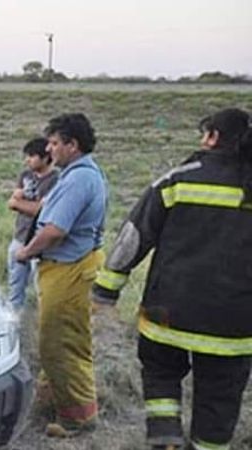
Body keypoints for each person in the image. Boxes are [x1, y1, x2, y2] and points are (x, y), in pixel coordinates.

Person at [92, 108, 252, 450]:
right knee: (220, 396)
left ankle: (166, 443)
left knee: (160, 376)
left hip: (166, 311)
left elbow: (133, 235)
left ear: (212, 137)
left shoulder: (178, 179)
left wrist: (106, 289)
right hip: (237, 324)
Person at [15, 113, 108, 437]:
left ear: (73, 144)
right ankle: (49, 400)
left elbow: (55, 230)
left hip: (69, 269)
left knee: (60, 344)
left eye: (55, 143)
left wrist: (26, 252)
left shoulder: (79, 179)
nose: (49, 149)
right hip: (69, 267)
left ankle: (77, 419)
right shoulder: (77, 174)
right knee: (61, 339)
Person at [6, 137, 58, 309]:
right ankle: (14, 322)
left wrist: (19, 204)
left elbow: (42, 211)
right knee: (15, 286)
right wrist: (24, 204)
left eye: (32, 156)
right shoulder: (25, 176)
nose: (27, 160)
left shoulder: (55, 180)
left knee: (41, 287)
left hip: (41, 242)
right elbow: (12, 200)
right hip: (20, 237)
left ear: (45, 157)